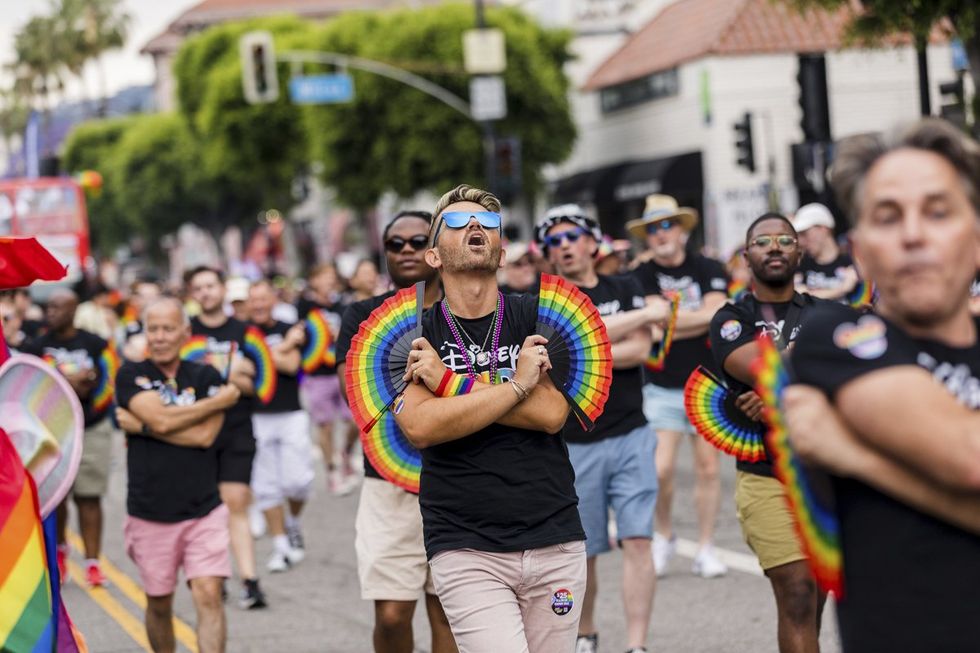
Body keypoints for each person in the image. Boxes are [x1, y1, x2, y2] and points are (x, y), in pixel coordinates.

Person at [784, 119, 980, 653]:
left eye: (938, 212)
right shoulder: (839, 339)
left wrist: (855, 455)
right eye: (887, 218)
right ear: (861, 252)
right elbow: (969, 458)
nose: (914, 234)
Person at [393, 185, 586, 653]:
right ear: (435, 256)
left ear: (501, 251)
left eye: (488, 225)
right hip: (465, 544)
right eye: (457, 223)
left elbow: (550, 414)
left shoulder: (543, 315)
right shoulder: (411, 333)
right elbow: (422, 427)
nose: (475, 228)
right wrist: (516, 385)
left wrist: (446, 383)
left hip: (554, 535)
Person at [536, 206, 669, 653]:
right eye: (554, 242)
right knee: (583, 552)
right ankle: (586, 633)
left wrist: (588, 339)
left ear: (593, 242)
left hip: (632, 431)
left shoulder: (624, 284)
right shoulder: (547, 298)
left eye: (572, 236)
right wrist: (637, 318)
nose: (564, 246)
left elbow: (641, 349)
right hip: (575, 442)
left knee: (637, 539)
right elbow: (564, 348)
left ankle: (637, 645)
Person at [708, 213, 832, 653]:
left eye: (785, 240)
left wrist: (775, 395)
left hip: (824, 477)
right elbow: (759, 366)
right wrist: (817, 349)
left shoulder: (821, 311)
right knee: (797, 594)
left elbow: (844, 379)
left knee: (814, 599)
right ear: (747, 256)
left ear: (800, 251)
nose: (775, 247)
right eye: (764, 242)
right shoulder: (730, 317)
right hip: (766, 478)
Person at [335, 209, 457, 653]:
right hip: (388, 481)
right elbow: (356, 397)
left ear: (438, 249)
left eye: (417, 241)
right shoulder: (362, 316)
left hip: (461, 476)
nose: (406, 250)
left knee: (448, 611)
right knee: (391, 614)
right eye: (395, 244)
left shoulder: (465, 312)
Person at [113, 297, 241, 653]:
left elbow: (205, 436)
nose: (160, 336)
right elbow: (163, 420)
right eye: (153, 328)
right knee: (158, 602)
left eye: (168, 328)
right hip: (150, 512)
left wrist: (143, 426)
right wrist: (218, 402)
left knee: (209, 594)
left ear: (185, 333)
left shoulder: (204, 375)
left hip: (204, 508)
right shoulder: (130, 374)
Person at [627, 194, 729, 578]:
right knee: (661, 468)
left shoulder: (709, 266)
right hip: (663, 384)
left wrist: (676, 316)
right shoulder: (642, 273)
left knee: (707, 468)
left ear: (682, 230)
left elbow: (719, 312)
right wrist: (698, 316)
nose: (660, 234)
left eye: (667, 225)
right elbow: (656, 324)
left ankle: (706, 547)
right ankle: (664, 535)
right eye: (652, 228)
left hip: (708, 383)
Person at [185, 266, 268, 609]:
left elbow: (260, 384)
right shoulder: (184, 333)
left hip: (237, 430)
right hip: (196, 433)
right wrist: (231, 373)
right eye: (198, 287)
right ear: (193, 294)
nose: (205, 292)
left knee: (236, 502)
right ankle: (213, 576)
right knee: (206, 510)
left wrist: (236, 380)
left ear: (222, 289)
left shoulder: (245, 332)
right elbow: (182, 383)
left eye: (210, 285)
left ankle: (249, 579)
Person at [24, 288, 116, 587]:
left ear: (74, 310)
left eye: (57, 307)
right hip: (54, 430)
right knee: (58, 496)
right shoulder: (37, 345)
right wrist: (71, 382)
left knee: (89, 496)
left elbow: (107, 383)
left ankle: (92, 562)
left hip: (91, 428)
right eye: (49, 307)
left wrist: (79, 390)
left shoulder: (96, 344)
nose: (50, 312)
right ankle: (61, 551)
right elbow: (33, 386)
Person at [245, 279, 315, 573]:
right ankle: (280, 547)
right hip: (257, 416)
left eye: (264, 299)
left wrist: (274, 351)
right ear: (248, 304)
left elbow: (290, 366)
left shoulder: (286, 328)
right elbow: (245, 371)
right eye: (254, 300)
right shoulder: (243, 333)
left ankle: (293, 523)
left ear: (273, 300)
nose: (259, 305)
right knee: (267, 487)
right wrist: (282, 349)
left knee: (298, 482)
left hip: (290, 414)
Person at [296, 263, 358, 494]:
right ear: (313, 280)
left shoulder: (341, 305)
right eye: (324, 276)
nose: (329, 281)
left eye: (332, 277)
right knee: (325, 426)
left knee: (354, 420)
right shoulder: (305, 305)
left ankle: (347, 453)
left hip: (341, 368)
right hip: (317, 374)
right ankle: (332, 471)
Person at [792, 203, 859, 301]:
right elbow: (799, 294)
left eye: (804, 233)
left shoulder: (852, 262)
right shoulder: (801, 264)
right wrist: (842, 289)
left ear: (823, 229)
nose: (801, 242)